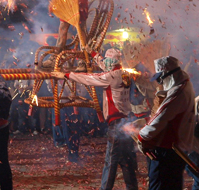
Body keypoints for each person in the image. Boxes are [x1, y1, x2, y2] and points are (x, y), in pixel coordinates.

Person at [52, 48, 138, 190]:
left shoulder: (111, 76)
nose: (105, 62)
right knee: (126, 160)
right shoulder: (123, 72)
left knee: (110, 161)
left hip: (117, 124)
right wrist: (94, 55)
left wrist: (66, 74)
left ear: (112, 61)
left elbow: (90, 78)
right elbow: (104, 65)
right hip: (126, 122)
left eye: (107, 59)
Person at [134, 56, 194, 190]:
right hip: (176, 148)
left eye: (161, 78)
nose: (160, 82)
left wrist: (142, 136)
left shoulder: (177, 92)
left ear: (169, 75)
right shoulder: (184, 84)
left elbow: (161, 118)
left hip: (168, 150)